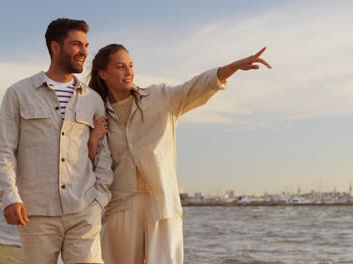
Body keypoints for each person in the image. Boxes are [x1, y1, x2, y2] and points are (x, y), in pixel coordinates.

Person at [88, 44, 271, 263]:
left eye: (131, 65)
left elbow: (194, 88)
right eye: (120, 67)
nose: (129, 72)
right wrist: (93, 136)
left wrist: (231, 68)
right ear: (103, 73)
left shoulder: (159, 97)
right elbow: (92, 164)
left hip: (162, 205)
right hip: (121, 208)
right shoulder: (97, 114)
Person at [0, 18, 113, 264]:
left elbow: (103, 155)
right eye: (76, 44)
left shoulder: (93, 100)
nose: (84, 52)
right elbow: (4, 151)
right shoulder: (18, 93)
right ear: (55, 46)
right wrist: (10, 196)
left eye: (86, 45)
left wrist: (99, 200)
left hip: (83, 209)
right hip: (36, 212)